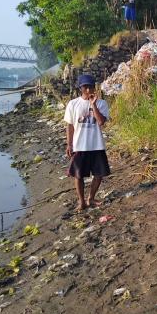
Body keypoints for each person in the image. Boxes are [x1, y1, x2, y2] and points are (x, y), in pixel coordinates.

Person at [64, 74, 110, 211]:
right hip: (80, 145)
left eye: (90, 86)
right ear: (80, 88)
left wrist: (93, 105)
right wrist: (69, 144)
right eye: (85, 87)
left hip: (96, 145)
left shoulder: (102, 103)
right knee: (78, 175)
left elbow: (101, 122)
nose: (89, 90)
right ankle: (81, 201)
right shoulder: (73, 104)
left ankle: (91, 198)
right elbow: (70, 125)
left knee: (99, 174)